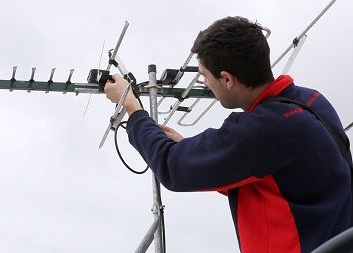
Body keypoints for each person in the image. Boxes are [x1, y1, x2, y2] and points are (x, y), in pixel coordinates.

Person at [104, 16, 352, 253]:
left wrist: (133, 110)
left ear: (227, 78)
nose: (204, 82)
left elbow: (172, 165)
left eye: (204, 75)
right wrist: (194, 149)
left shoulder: (263, 130)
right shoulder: (312, 101)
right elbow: (280, 172)